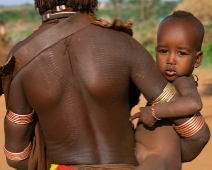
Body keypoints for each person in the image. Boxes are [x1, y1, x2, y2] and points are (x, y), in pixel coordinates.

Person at [0, 1, 203, 169]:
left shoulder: (20, 60)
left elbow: (16, 157)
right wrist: (159, 152)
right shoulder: (123, 44)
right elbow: (196, 134)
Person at [130, 11, 210, 170]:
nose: (171, 60)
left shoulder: (183, 81)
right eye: (163, 51)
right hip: (146, 153)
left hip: (158, 159)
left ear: (197, 59)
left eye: (181, 53)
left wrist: (155, 112)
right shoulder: (162, 80)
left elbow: (193, 103)